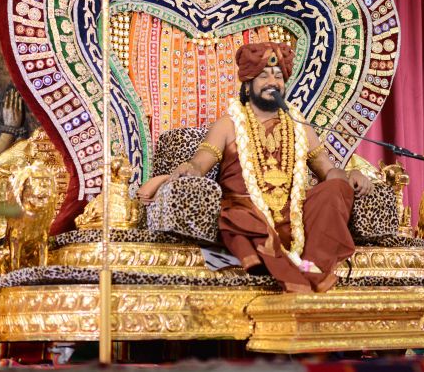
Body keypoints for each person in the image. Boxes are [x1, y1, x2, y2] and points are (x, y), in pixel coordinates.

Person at [138, 42, 372, 292]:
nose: (273, 82)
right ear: (248, 86)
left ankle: (311, 266)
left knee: (335, 189)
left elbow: (328, 170)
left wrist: (350, 175)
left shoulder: (299, 126)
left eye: (278, 76)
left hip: (295, 220)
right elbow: (200, 162)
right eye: (264, 76)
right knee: (237, 215)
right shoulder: (228, 125)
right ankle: (289, 270)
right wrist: (189, 168)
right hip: (250, 216)